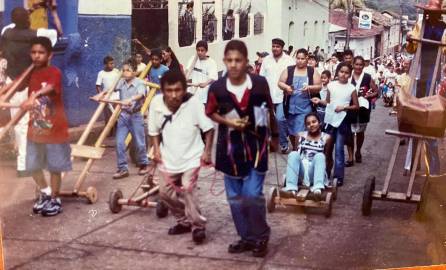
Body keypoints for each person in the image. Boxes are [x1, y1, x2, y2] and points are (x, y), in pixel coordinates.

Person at [205, 40, 278, 257]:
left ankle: (261, 236)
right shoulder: (217, 88)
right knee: (235, 199)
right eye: (230, 60)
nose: (234, 64)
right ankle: (246, 238)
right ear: (224, 61)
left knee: (252, 194)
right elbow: (210, 112)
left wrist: (273, 136)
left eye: (238, 60)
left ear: (246, 61)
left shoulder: (260, 83)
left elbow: (268, 111)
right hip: (229, 150)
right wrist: (228, 123)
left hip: (256, 147)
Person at [149, 70, 214, 245]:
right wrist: (156, 150)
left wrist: (207, 152)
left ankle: (197, 226)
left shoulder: (193, 104)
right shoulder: (155, 103)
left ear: (184, 90)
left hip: (192, 157)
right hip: (168, 158)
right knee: (164, 193)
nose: (173, 95)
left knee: (187, 188)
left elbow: (208, 129)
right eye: (169, 90)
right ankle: (184, 221)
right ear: (163, 90)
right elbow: (153, 131)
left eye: (178, 90)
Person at [17, 37, 71, 216]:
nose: (36, 56)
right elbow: (16, 85)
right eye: (33, 52)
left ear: (49, 55)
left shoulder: (54, 72)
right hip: (37, 127)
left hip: (54, 127)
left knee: (55, 166)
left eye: (41, 53)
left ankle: (56, 199)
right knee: (32, 165)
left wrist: (34, 96)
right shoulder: (30, 73)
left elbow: (50, 87)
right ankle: (46, 192)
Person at [1, 7, 56, 177]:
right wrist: (51, 12)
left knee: (20, 123)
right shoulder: (38, 35)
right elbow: (54, 35)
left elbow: (12, 25)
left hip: (12, 81)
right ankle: (28, 163)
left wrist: (26, 13)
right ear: (28, 20)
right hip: (30, 83)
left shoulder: (6, 33)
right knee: (37, 120)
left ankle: (25, 162)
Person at [93, 60, 150, 179]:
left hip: (135, 116)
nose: (124, 72)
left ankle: (143, 164)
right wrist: (100, 95)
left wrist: (131, 99)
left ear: (134, 72)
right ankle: (123, 168)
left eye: (127, 70)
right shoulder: (121, 82)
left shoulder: (140, 83)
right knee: (119, 143)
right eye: (123, 70)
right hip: (124, 116)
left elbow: (140, 94)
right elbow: (110, 89)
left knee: (140, 143)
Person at [311, 62, 359, 185]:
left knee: (339, 149)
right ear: (337, 72)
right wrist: (319, 101)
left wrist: (344, 108)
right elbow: (328, 102)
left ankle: (338, 177)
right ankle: (325, 172)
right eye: (341, 71)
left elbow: (356, 106)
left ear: (350, 74)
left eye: (346, 72)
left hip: (342, 122)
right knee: (327, 148)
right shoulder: (331, 86)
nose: (343, 74)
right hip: (330, 120)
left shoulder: (351, 88)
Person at [278, 48, 322, 149]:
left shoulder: (312, 71)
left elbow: (319, 86)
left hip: (305, 107)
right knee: (292, 130)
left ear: (307, 58)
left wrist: (309, 88)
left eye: (302, 58)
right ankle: (295, 148)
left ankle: (298, 151)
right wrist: (286, 87)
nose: (300, 60)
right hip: (289, 106)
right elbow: (280, 82)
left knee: (299, 131)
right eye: (298, 58)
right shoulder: (289, 70)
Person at [283, 112, 332, 200]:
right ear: (305, 126)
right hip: (301, 172)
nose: (311, 125)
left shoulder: (327, 137)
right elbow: (295, 159)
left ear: (320, 123)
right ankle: (291, 188)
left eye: (314, 122)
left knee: (320, 156)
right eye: (308, 124)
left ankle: (317, 189)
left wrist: (326, 175)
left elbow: (328, 158)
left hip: (315, 171)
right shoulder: (300, 135)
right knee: (293, 154)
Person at [259, 38, 294, 153]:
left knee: (280, 119)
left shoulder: (289, 60)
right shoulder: (266, 60)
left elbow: (293, 77)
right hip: (267, 95)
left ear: (282, 48)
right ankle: (267, 143)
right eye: (273, 46)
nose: (275, 48)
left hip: (282, 96)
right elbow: (261, 78)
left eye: (277, 46)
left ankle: (283, 143)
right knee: (265, 121)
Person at [345, 56, 378, 167]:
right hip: (350, 107)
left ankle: (358, 151)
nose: (358, 66)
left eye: (360, 65)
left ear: (363, 66)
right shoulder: (348, 77)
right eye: (356, 64)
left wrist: (369, 95)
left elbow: (376, 91)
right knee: (349, 132)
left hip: (363, 108)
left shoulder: (367, 77)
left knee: (360, 132)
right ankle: (350, 157)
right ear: (353, 65)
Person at [96, 56, 121, 131]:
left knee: (117, 114)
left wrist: (118, 88)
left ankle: (118, 130)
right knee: (108, 116)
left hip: (117, 96)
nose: (112, 65)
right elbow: (98, 86)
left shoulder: (116, 71)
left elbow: (121, 81)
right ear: (105, 64)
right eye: (110, 64)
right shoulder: (101, 73)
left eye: (113, 63)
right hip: (107, 97)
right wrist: (101, 96)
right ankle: (109, 132)